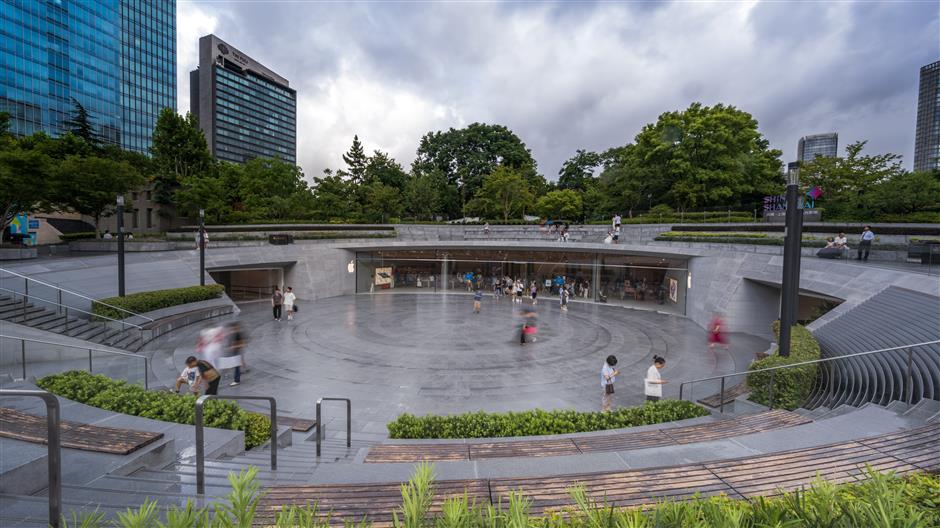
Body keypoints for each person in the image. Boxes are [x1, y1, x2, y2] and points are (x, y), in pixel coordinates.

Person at [227, 321, 247, 386]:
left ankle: (237, 380)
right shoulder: (234, 333)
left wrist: (234, 346)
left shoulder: (238, 334)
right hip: (235, 351)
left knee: (236, 366)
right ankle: (239, 374)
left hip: (237, 351)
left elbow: (242, 344)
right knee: (236, 365)